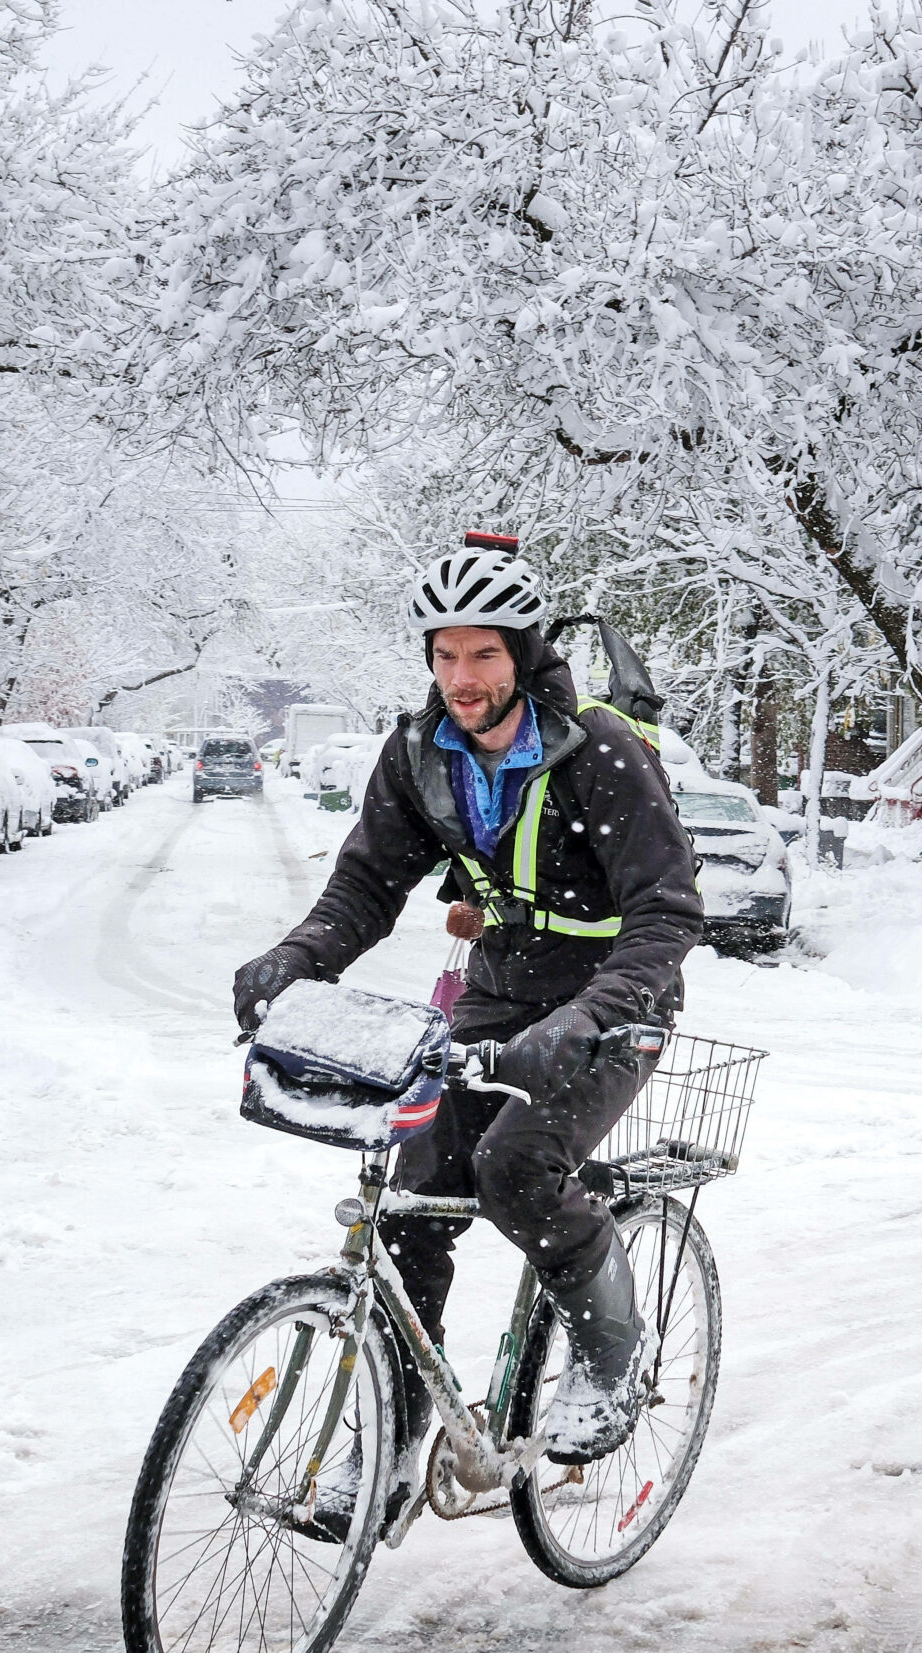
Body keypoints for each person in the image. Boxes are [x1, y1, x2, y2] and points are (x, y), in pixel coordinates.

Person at [233, 535, 704, 1534]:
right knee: (410, 1197)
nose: (461, 677)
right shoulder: (420, 756)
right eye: (445, 655)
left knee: (517, 1166)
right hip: (499, 988)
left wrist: (589, 1016)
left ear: (522, 654)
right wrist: (296, 956)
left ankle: (611, 1361)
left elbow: (666, 913)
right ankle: (396, 1440)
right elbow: (366, 883)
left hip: (616, 1002)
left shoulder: (598, 753)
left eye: (482, 655)